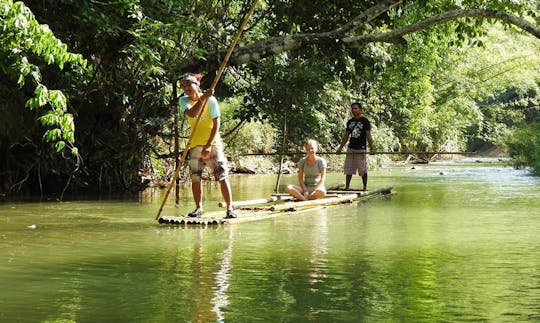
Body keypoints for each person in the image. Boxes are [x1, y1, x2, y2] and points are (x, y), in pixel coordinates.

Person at [178, 73, 236, 219]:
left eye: (188, 84)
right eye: (183, 86)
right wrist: (202, 99)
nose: (186, 88)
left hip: (213, 144)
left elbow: (217, 124)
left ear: (197, 84)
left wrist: (209, 145)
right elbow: (192, 114)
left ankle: (230, 208)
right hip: (195, 144)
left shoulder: (211, 100)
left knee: (222, 176)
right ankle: (199, 208)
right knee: (195, 178)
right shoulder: (184, 101)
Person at [337, 102, 374, 191]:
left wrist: (372, 148)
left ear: (360, 110)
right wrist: (340, 148)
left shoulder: (365, 121)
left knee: (362, 169)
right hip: (351, 148)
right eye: (353, 108)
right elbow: (346, 135)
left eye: (356, 108)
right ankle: (347, 187)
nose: (354, 110)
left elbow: (368, 135)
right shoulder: (350, 122)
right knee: (349, 168)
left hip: (361, 148)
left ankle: (364, 187)